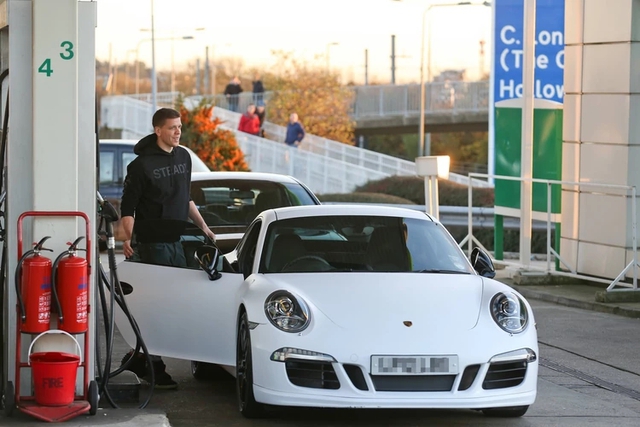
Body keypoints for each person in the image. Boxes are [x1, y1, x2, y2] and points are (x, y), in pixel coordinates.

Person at [119, 107, 217, 389]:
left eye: (180, 127)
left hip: (179, 240)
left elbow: (185, 199)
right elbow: (128, 208)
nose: (177, 132)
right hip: (152, 244)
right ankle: (153, 365)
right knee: (156, 305)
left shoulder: (184, 156)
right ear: (158, 130)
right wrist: (129, 238)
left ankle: (139, 357)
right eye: (172, 127)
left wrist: (204, 227)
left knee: (179, 302)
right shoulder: (140, 166)